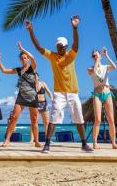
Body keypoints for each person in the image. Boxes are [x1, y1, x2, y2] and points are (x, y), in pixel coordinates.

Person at [26, 16, 93, 153]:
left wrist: (75, 28)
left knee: (79, 118)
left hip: (73, 92)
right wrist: (31, 31)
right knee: (54, 117)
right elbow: (39, 48)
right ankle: (47, 144)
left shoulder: (71, 55)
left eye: (61, 46)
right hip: (59, 93)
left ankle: (84, 143)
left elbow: (76, 44)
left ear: (66, 47)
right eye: (58, 46)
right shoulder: (53, 56)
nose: (59, 48)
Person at [0, 42, 41, 148]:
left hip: (33, 96)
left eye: (26, 58)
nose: (25, 59)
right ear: (20, 59)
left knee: (34, 120)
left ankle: (37, 141)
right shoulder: (19, 70)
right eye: (23, 58)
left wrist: (22, 48)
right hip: (21, 96)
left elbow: (33, 58)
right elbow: (4, 70)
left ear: (28, 59)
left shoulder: (32, 68)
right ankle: (7, 140)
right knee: (14, 117)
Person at [88, 47, 117, 149]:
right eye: (94, 56)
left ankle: (114, 143)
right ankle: (95, 143)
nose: (95, 56)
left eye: (96, 55)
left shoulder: (105, 67)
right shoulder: (89, 69)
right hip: (97, 94)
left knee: (111, 119)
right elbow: (95, 70)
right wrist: (98, 59)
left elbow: (115, 67)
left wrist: (106, 56)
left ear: (100, 56)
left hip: (107, 93)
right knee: (97, 119)